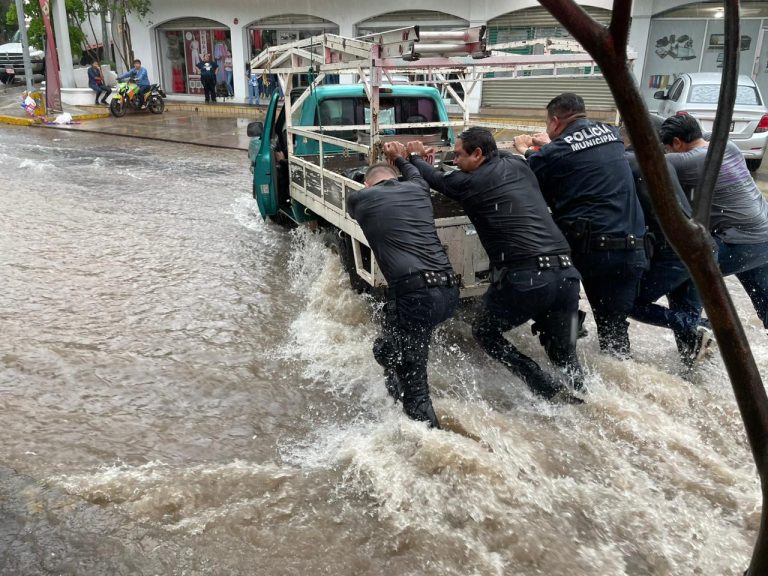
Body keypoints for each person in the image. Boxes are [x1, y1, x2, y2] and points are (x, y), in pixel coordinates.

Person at [404, 127, 584, 402]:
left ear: (478, 154)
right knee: (566, 353)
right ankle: (583, 395)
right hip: (568, 276)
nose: (455, 161)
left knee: (484, 332)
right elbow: (486, 159)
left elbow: (436, 181)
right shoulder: (518, 164)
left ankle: (543, 386)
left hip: (528, 278)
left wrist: (414, 157)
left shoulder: (469, 183)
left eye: (459, 155)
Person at [517, 92, 649, 358]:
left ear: (555, 122)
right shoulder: (612, 135)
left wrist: (526, 149)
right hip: (633, 249)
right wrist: (550, 146)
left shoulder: (555, 151)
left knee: (556, 303)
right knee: (614, 329)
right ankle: (619, 381)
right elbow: (583, 155)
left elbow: (534, 170)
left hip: (593, 251)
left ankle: (570, 361)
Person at [346, 148, 460, 429]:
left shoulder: (360, 199)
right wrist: (400, 155)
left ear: (367, 184)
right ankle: (397, 400)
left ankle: (429, 442)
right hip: (448, 292)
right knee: (395, 343)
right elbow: (413, 171)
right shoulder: (419, 187)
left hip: (415, 296)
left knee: (407, 374)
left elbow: (360, 196)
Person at [660, 113, 768, 331]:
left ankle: (696, 339)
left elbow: (642, 163)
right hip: (764, 237)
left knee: (686, 276)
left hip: (739, 243)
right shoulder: (728, 147)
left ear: (677, 142)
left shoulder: (679, 160)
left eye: (668, 147)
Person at [623, 142, 713, 366]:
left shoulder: (624, 163)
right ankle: (694, 380)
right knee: (691, 338)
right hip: (702, 246)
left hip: (675, 254)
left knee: (626, 303)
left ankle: (700, 325)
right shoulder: (663, 162)